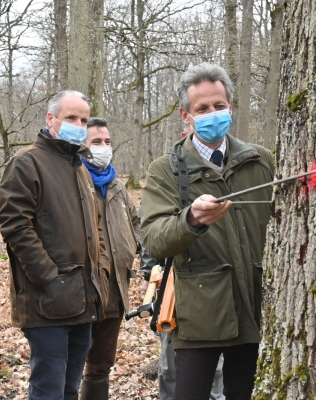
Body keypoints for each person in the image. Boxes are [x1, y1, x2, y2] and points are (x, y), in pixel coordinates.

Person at [140, 62, 274, 400]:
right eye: (202, 108)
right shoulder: (166, 170)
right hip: (199, 318)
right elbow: (154, 238)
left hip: (259, 311)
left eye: (218, 105)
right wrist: (192, 220)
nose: (212, 113)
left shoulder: (261, 161)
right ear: (187, 115)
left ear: (231, 106)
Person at [0, 90, 110, 400]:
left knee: (69, 390)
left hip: (83, 301)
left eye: (83, 119)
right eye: (71, 117)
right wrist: (48, 277)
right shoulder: (27, 163)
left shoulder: (80, 168)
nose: (78, 124)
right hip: (46, 304)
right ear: (51, 119)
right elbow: (15, 226)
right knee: (48, 391)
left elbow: (93, 229)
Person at [139, 128, 225, 400]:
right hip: (175, 293)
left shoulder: (225, 174)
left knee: (218, 373)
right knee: (172, 370)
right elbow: (151, 240)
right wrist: (154, 278)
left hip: (218, 292)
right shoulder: (165, 176)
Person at [79, 117, 141, 399]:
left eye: (107, 142)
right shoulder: (73, 179)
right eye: (96, 142)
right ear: (82, 145)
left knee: (101, 363)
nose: (104, 147)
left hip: (116, 287)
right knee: (70, 363)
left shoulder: (117, 184)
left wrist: (136, 246)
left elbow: (136, 221)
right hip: (80, 290)